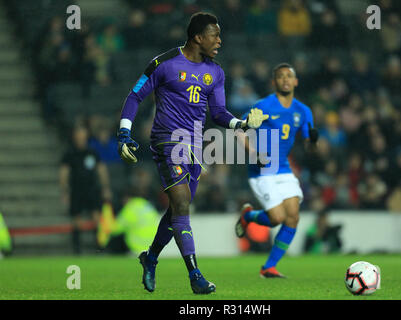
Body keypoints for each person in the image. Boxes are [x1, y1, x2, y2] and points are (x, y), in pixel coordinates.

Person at [116, 12, 268, 294]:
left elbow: (219, 113)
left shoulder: (216, 73)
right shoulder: (163, 64)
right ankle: (195, 276)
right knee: (183, 205)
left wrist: (241, 123)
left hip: (195, 147)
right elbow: (135, 95)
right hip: (167, 142)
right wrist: (124, 132)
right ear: (198, 37)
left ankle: (150, 258)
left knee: (177, 209)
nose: (220, 41)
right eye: (215, 35)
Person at [235, 63, 318, 278]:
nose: (285, 80)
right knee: (276, 218)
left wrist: (313, 142)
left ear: (296, 81)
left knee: (293, 217)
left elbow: (309, 144)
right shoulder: (264, 106)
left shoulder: (303, 111)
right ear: (274, 82)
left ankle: (269, 267)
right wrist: (253, 152)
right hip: (262, 169)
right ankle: (249, 215)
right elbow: (239, 130)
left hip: (283, 170)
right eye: (280, 76)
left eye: (289, 76)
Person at [59, 125, 112, 254]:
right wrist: (65, 191)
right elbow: (64, 172)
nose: (80, 138)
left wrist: (105, 187)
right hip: (76, 190)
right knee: (76, 220)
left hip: (92, 189)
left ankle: (99, 247)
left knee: (96, 217)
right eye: (78, 136)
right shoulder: (70, 153)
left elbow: (101, 169)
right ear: (74, 137)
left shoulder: (92, 152)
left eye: (82, 136)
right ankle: (77, 250)